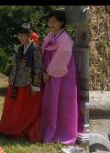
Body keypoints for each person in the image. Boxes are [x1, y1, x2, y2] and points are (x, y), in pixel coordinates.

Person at [0, 23, 42, 143]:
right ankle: (10, 126)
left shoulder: (35, 48)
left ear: (30, 35)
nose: (20, 37)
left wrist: (35, 86)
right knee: (12, 107)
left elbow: (38, 68)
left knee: (24, 108)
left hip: (28, 84)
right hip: (15, 82)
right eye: (18, 35)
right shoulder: (20, 48)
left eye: (22, 35)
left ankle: (21, 128)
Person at [39, 10, 79, 144]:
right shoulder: (51, 35)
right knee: (49, 100)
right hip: (49, 70)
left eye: (54, 21)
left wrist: (48, 73)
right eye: (49, 21)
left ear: (61, 22)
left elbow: (61, 59)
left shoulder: (65, 39)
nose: (51, 24)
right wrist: (43, 69)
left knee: (61, 102)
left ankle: (62, 131)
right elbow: (43, 51)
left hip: (60, 74)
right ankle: (47, 127)